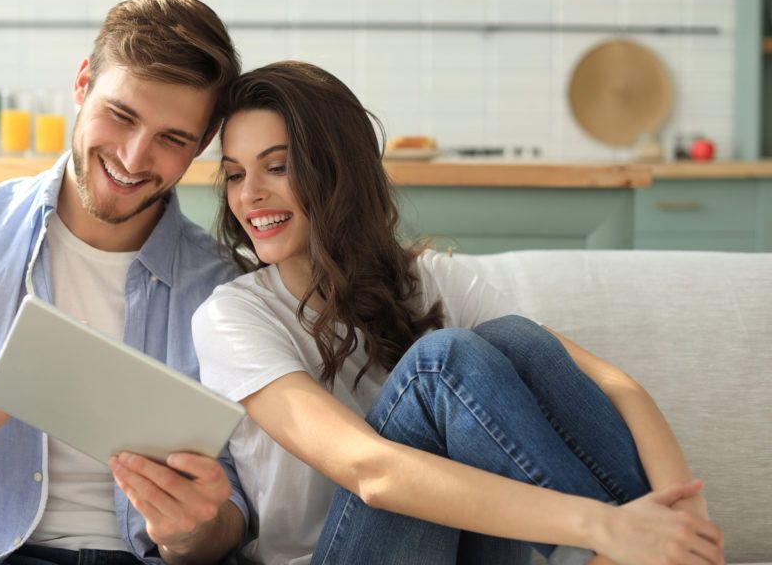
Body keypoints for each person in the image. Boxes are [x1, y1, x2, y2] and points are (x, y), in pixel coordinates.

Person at [192, 60, 724, 565]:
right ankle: (609, 550)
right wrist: (601, 525)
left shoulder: (428, 281)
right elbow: (370, 470)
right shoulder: (233, 317)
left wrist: (685, 512)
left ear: (338, 171)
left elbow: (614, 385)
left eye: (277, 167)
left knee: (514, 339)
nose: (250, 195)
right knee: (438, 363)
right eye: (235, 175)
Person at [0, 0, 249, 565]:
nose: (133, 158)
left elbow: (233, 516)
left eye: (172, 139)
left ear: (201, 147)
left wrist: (189, 534)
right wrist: (9, 381)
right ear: (83, 84)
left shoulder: (224, 285)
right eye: (121, 115)